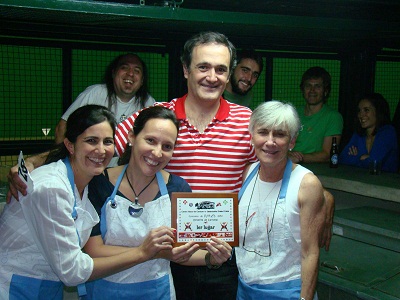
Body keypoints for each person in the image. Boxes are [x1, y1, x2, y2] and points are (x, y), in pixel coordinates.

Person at [6, 32, 334, 299]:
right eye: (203, 67)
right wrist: (35, 163)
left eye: (221, 69)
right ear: (185, 70)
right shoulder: (155, 119)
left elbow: (278, 166)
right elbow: (96, 149)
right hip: (170, 255)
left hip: (223, 257)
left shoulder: (247, 122)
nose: (212, 76)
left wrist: (324, 198)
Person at [0, 105, 174, 299]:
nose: (101, 150)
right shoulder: (51, 187)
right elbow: (72, 271)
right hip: (12, 285)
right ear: (70, 145)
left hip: (45, 287)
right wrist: (143, 253)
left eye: (107, 141)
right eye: (91, 141)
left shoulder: (84, 184)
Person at [84, 105, 232, 299]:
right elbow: (93, 250)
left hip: (157, 291)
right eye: (150, 141)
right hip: (106, 290)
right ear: (131, 137)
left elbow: (182, 252)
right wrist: (146, 251)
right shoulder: (98, 183)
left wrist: (212, 257)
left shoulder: (178, 189)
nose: (157, 153)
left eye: (167, 146)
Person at [236, 101, 325, 299]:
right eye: (263, 132)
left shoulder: (306, 184)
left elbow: (310, 253)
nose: (270, 141)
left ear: (292, 141)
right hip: (245, 288)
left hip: (287, 290)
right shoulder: (247, 173)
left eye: (280, 134)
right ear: (252, 137)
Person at [55, 53, 155, 143]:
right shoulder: (95, 93)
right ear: (113, 73)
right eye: (124, 68)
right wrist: (64, 159)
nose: (130, 73)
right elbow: (62, 127)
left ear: (142, 80)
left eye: (137, 71)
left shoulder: (148, 103)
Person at [289, 66, 343, 164]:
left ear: (325, 91)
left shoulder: (333, 117)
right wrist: (287, 156)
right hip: (289, 166)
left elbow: (327, 154)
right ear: (303, 89)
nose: (312, 90)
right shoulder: (293, 113)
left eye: (317, 86)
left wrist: (299, 158)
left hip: (318, 171)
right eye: (308, 86)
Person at [339, 93, 399, 172]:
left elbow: (375, 163)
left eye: (366, 110)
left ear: (378, 111)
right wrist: (362, 157)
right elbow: (342, 159)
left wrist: (356, 157)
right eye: (359, 111)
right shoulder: (358, 134)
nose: (361, 115)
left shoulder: (387, 132)